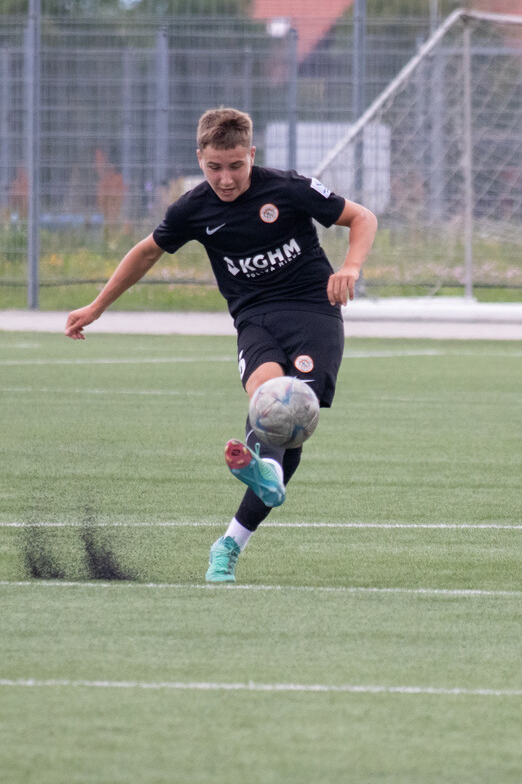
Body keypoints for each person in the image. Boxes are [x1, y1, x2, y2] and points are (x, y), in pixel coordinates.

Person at [65, 107, 377, 582]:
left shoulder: (288, 189)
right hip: (254, 319)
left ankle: (231, 539)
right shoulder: (194, 208)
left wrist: (350, 267)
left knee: (290, 413)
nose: (226, 179)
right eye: (214, 167)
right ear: (200, 159)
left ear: (252, 154)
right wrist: (97, 306)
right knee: (270, 403)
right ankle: (263, 473)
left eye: (236, 166)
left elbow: (362, 218)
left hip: (313, 311)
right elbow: (147, 251)